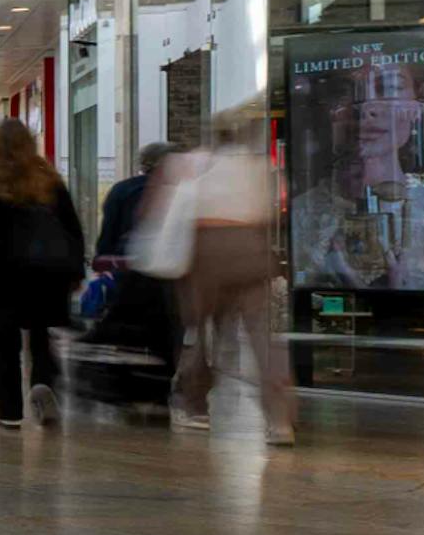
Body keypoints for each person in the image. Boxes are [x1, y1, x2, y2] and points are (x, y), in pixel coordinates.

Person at [170, 120, 296, 444]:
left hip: (208, 253)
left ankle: (195, 407)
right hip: (251, 252)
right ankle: (280, 420)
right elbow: (272, 211)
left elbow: (180, 210)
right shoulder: (259, 166)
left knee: (200, 334)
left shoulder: (198, 165)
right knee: (262, 337)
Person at [0, 120, 86, 428]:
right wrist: (75, 271)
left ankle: (9, 413)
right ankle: (43, 383)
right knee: (41, 338)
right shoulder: (48, 180)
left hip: (2, 277)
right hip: (46, 275)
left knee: (4, 344)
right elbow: (72, 228)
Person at [83, 143, 182, 374]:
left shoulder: (121, 190)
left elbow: (107, 240)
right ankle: (163, 383)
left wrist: (104, 263)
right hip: (169, 279)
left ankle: (126, 377)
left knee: (125, 333)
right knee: (166, 339)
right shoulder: (178, 192)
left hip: (127, 276)